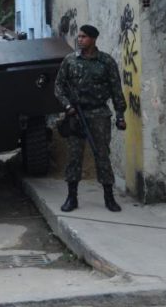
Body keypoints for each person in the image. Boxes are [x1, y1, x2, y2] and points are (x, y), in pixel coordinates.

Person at [54, 25, 127, 213]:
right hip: (76, 115)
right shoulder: (70, 61)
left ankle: (109, 197)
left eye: (84, 37)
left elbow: (116, 90)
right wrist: (68, 106)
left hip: (99, 115)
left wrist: (120, 115)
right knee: (74, 157)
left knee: (102, 155)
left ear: (94, 39)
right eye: (78, 36)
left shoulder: (106, 62)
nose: (79, 39)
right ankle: (72, 197)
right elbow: (59, 87)